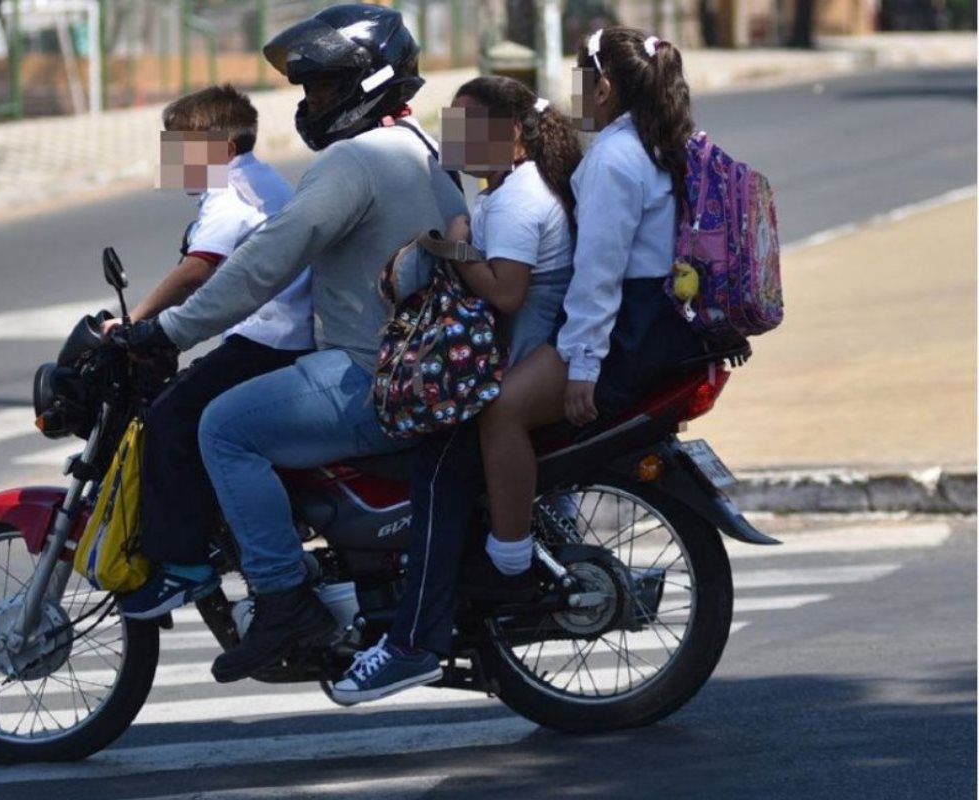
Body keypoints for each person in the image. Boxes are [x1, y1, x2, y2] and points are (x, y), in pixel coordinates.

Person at [114, 5, 468, 682]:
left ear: (369, 82)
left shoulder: (355, 160)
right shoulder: (419, 145)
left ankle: (282, 597)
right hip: (416, 364)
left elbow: (266, 261)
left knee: (222, 427)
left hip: (371, 374)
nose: (311, 102)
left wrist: (170, 329)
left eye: (324, 88)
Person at [332, 75, 582, 704]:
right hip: (503, 357)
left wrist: (454, 242)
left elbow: (505, 293)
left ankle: (414, 643)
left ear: (514, 136)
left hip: (516, 362)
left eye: (471, 127)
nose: (457, 138)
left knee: (437, 476)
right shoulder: (502, 191)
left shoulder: (522, 198)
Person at [476, 28, 708, 591]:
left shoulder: (612, 158)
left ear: (602, 87)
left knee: (499, 411)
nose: (573, 94)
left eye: (580, 81)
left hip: (626, 329)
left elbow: (599, 275)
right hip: (663, 323)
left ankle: (509, 559)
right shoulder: (661, 143)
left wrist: (583, 365)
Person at [108, 84, 315, 620]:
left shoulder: (234, 193)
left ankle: (185, 564)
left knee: (171, 420)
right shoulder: (255, 180)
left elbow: (197, 270)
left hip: (270, 341)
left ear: (220, 148)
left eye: (180, 145)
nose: (171, 158)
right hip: (273, 336)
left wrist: (135, 324)